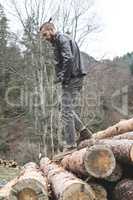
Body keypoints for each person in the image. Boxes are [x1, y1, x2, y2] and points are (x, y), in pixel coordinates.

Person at [39, 19, 92, 152]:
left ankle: (70, 144)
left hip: (72, 79)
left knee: (66, 110)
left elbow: (68, 58)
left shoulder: (62, 39)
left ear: (51, 30)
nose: (44, 38)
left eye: (45, 35)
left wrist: (64, 77)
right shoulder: (58, 40)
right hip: (73, 78)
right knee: (61, 106)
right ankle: (84, 132)